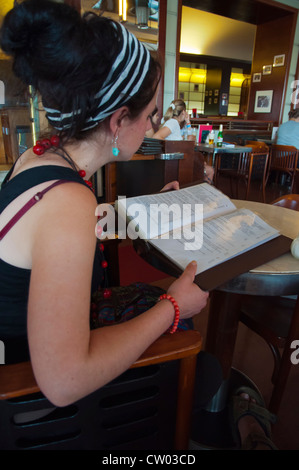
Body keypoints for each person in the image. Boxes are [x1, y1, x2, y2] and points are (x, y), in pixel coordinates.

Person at [0, 0, 209, 407]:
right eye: (150, 115)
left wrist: (138, 213)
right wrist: (174, 306)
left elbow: (43, 241)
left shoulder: (40, 156)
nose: (152, 126)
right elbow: (63, 382)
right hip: (28, 400)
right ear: (118, 120)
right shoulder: (67, 202)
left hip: (23, 348)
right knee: (200, 357)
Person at [153, 99, 215, 184]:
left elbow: (182, 138)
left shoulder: (171, 122)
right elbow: (156, 137)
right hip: (176, 164)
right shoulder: (173, 123)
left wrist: (188, 122)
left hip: (177, 161)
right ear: (183, 112)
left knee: (203, 164)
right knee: (210, 170)